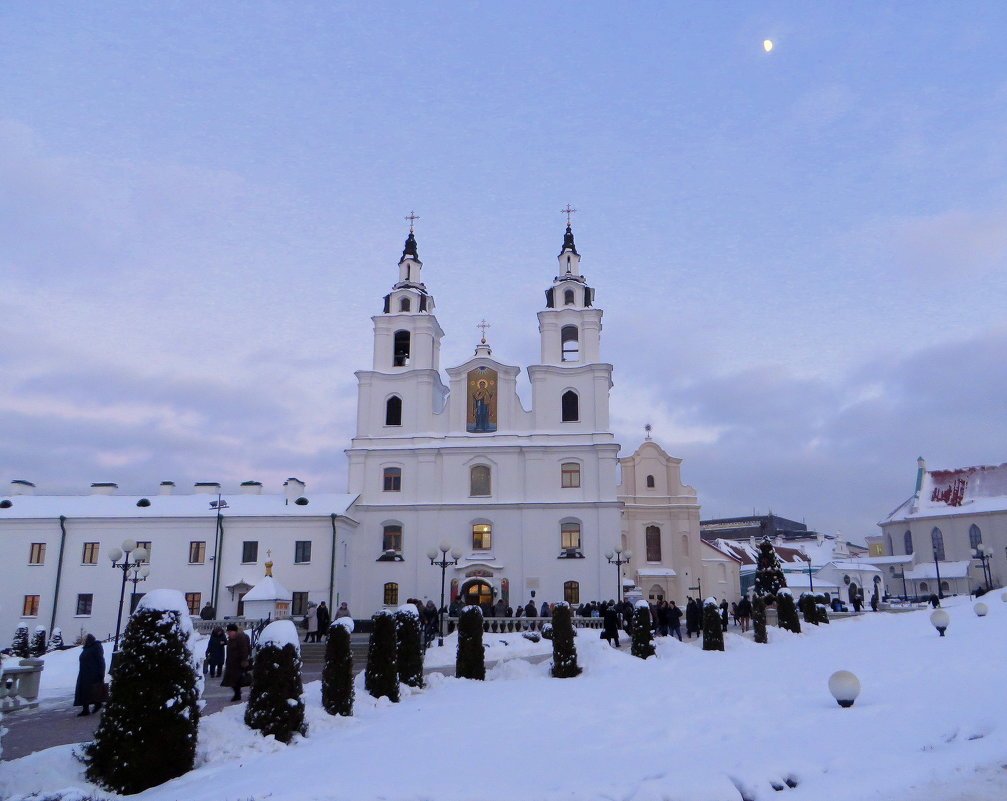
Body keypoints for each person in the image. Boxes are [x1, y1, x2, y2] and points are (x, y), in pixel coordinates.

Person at [74, 633, 106, 717]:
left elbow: (100, 660)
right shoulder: (87, 648)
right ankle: (85, 709)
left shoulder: (96, 647)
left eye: (85, 639)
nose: (83, 640)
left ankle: (97, 704)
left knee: (92, 690)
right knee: (84, 691)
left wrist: (101, 673)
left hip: (93, 673)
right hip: (84, 673)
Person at [221, 623, 252, 702]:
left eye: (230, 631)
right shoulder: (231, 638)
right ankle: (237, 693)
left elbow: (244, 650)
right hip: (231, 663)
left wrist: (244, 660)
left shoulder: (240, 638)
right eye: (228, 631)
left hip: (238, 663)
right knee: (232, 680)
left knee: (236, 680)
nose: (228, 633)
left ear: (234, 631)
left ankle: (237, 694)